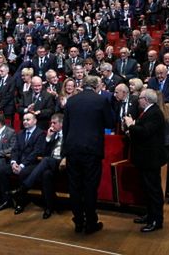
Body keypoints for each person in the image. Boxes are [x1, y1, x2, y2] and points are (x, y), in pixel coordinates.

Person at [62, 75, 115, 234]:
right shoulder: (100, 101)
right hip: (91, 150)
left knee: (75, 187)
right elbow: (110, 123)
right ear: (97, 86)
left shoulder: (71, 101)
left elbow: (66, 127)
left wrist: (65, 150)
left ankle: (78, 221)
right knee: (90, 187)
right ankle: (91, 222)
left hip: (72, 149)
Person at [123, 88, 166, 232]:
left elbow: (145, 132)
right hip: (145, 158)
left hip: (151, 159)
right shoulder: (148, 111)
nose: (138, 100)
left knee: (153, 190)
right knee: (147, 189)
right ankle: (150, 215)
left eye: (140, 98)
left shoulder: (155, 113)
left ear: (146, 100)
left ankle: (156, 220)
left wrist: (131, 125)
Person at [10, 113, 65, 219]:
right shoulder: (52, 134)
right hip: (50, 164)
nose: (52, 125)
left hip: (63, 164)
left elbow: (70, 151)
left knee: (46, 160)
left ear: (62, 124)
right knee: (46, 174)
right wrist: (48, 138)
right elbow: (44, 152)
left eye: (54, 123)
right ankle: (49, 207)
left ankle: (24, 188)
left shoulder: (68, 134)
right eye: (51, 123)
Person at [0, 112, 45, 213]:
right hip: (18, 163)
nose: (25, 121)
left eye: (28, 119)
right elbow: (15, 150)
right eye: (24, 119)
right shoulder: (20, 133)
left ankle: (20, 203)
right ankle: (6, 200)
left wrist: (22, 165)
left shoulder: (40, 134)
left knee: (23, 173)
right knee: (2, 170)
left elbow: (36, 153)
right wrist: (13, 163)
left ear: (35, 121)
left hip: (32, 164)